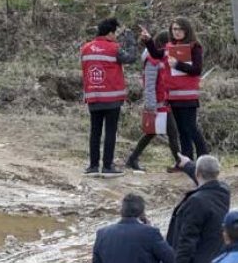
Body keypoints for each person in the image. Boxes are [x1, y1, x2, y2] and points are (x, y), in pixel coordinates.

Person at [165, 154, 231, 263]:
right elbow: (206, 181)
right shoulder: (223, 192)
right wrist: (188, 165)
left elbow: (187, 242)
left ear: (197, 174)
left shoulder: (196, 202)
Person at [143, 17, 209, 162]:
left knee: (191, 128)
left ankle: (205, 159)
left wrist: (178, 65)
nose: (177, 32)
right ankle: (187, 162)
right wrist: (148, 41)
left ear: (187, 30)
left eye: (180, 29)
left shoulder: (194, 46)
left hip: (188, 96)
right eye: (174, 29)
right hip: (173, 96)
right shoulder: (169, 47)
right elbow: (155, 54)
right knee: (182, 131)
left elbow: (197, 69)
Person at [81, 18, 138, 177]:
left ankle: (92, 166)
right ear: (110, 33)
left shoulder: (85, 48)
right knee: (110, 132)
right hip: (112, 99)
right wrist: (132, 43)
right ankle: (107, 166)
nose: (116, 37)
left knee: (95, 132)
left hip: (93, 97)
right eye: (115, 34)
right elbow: (131, 59)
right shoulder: (114, 48)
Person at [125, 30, 182, 173]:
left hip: (163, 101)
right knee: (165, 132)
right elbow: (149, 84)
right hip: (157, 103)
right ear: (164, 44)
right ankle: (179, 162)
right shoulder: (152, 60)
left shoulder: (160, 58)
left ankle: (133, 158)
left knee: (160, 132)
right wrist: (151, 105)